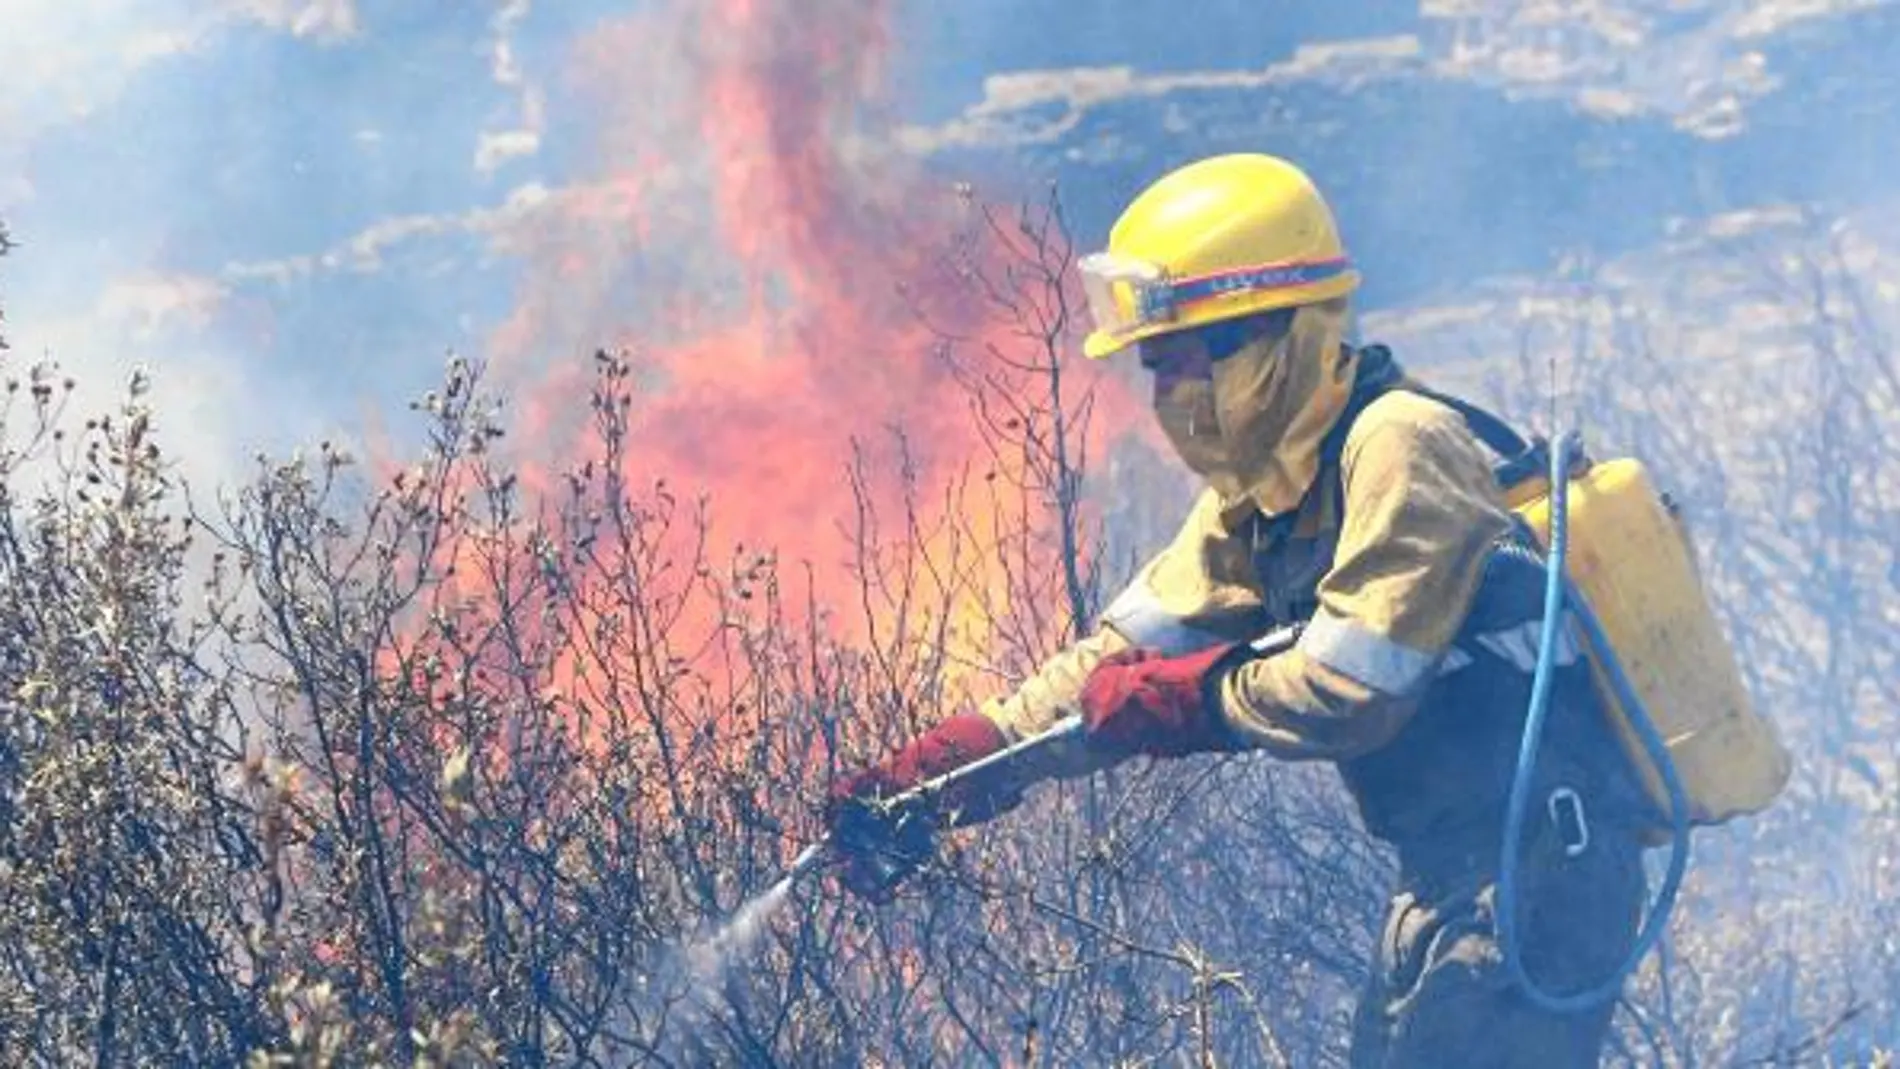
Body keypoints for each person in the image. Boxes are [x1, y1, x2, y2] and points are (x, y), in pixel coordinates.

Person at [823, 153, 1651, 1067]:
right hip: (1446, 877)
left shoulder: (1398, 448)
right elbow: (1118, 660)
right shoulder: (1265, 493)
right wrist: (955, 771)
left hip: (1545, 872)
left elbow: (1353, 690)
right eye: (1155, 370)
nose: (1167, 399)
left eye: (1181, 364)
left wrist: (1195, 700)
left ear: (1268, 340)